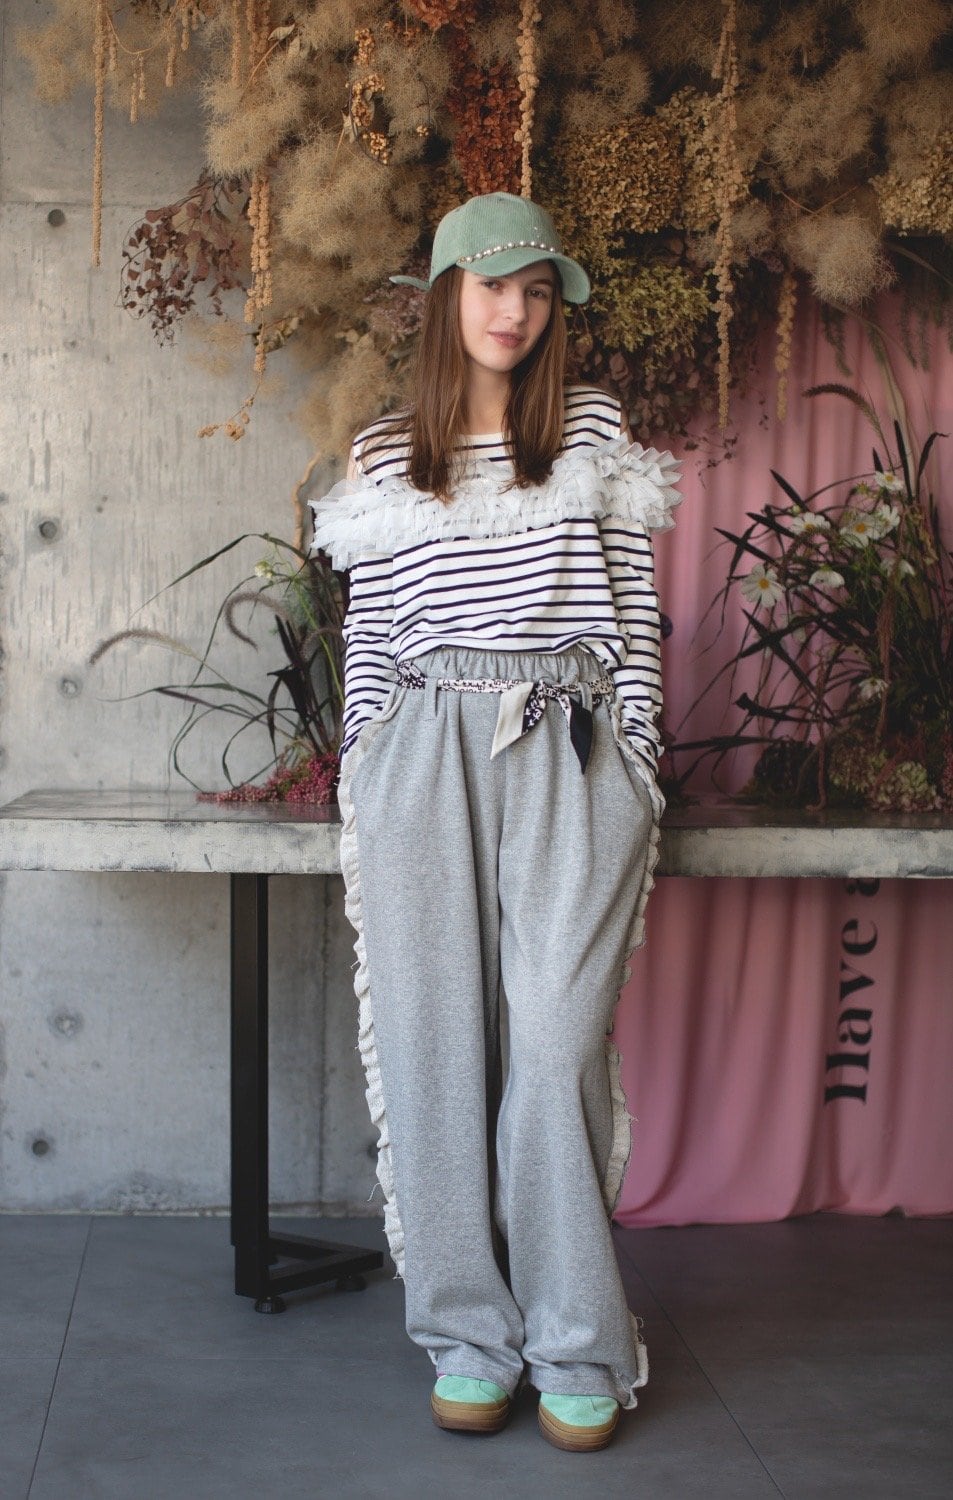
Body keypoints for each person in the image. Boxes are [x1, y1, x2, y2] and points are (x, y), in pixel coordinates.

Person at [309, 190, 680, 1453]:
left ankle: (576, 1339)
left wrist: (634, 758)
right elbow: (368, 635)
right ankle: (469, 1337)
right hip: (422, 754)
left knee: (555, 1045)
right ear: (445, 293)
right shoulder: (382, 454)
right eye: (491, 285)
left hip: (568, 744)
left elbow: (632, 615)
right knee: (433, 1048)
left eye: (535, 291)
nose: (513, 311)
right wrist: (367, 756)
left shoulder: (589, 430)